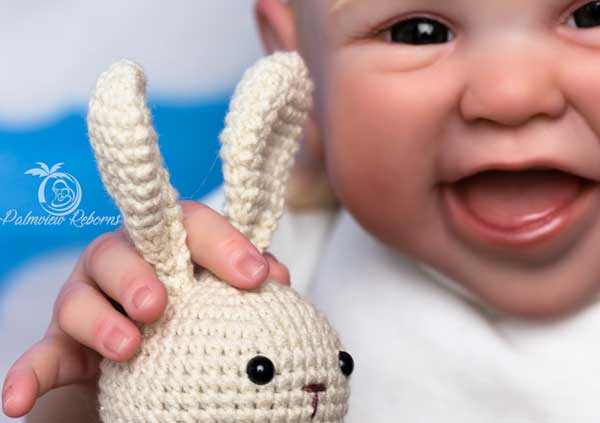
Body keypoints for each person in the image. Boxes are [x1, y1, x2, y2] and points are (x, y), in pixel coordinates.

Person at [5, 0, 600, 420]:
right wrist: (99, 389)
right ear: (298, 65)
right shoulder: (249, 260)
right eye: (418, 31)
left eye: (590, 15)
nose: (513, 94)